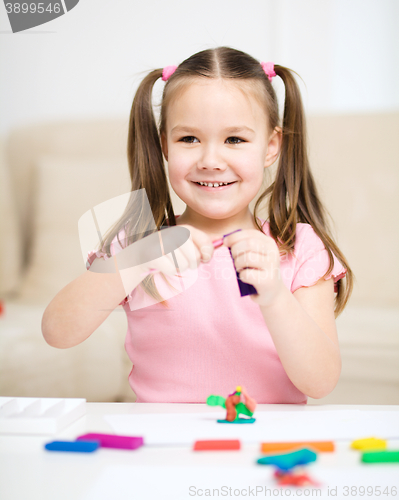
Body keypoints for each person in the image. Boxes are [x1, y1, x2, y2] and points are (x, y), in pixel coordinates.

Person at [42, 46, 353, 404]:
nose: (210, 160)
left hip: (267, 447)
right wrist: (139, 257)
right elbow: (57, 332)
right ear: (165, 146)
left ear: (270, 146)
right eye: (189, 139)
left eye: (234, 139)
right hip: (163, 448)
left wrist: (274, 295)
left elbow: (321, 382)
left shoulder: (298, 247)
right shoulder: (142, 242)